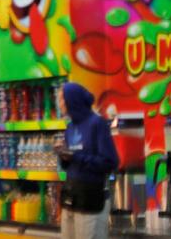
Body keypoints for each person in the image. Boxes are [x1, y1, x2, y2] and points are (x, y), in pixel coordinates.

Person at [54, 82, 119, 239]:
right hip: (71, 196)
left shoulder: (97, 123)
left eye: (62, 99)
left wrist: (75, 157)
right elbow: (72, 163)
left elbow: (110, 162)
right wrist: (63, 156)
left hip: (92, 199)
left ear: (73, 100)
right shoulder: (70, 127)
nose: (59, 104)